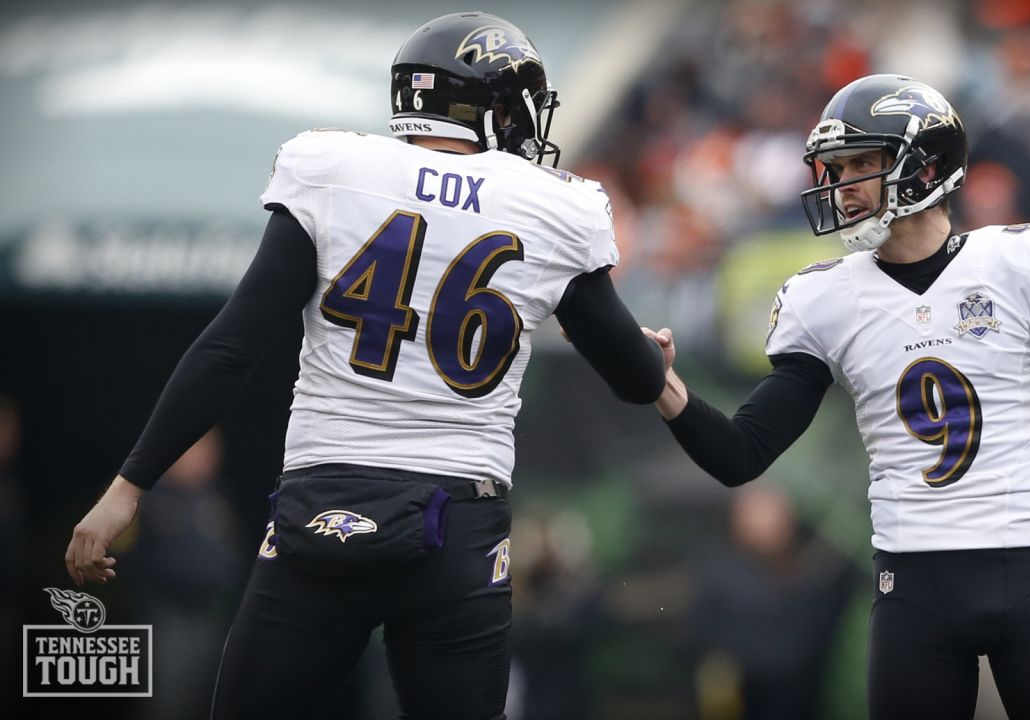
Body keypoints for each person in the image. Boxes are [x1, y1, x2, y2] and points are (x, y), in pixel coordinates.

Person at [64, 11, 666, 720]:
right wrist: (652, 362)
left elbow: (232, 345)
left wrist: (127, 487)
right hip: (458, 526)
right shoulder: (549, 206)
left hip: (322, 507)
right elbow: (637, 380)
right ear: (490, 107)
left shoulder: (336, 170)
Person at [643, 74, 1030, 720]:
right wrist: (660, 384)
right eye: (836, 166)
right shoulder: (827, 299)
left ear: (923, 166)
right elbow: (742, 453)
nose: (841, 184)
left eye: (860, 164)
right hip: (912, 588)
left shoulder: (1021, 264)